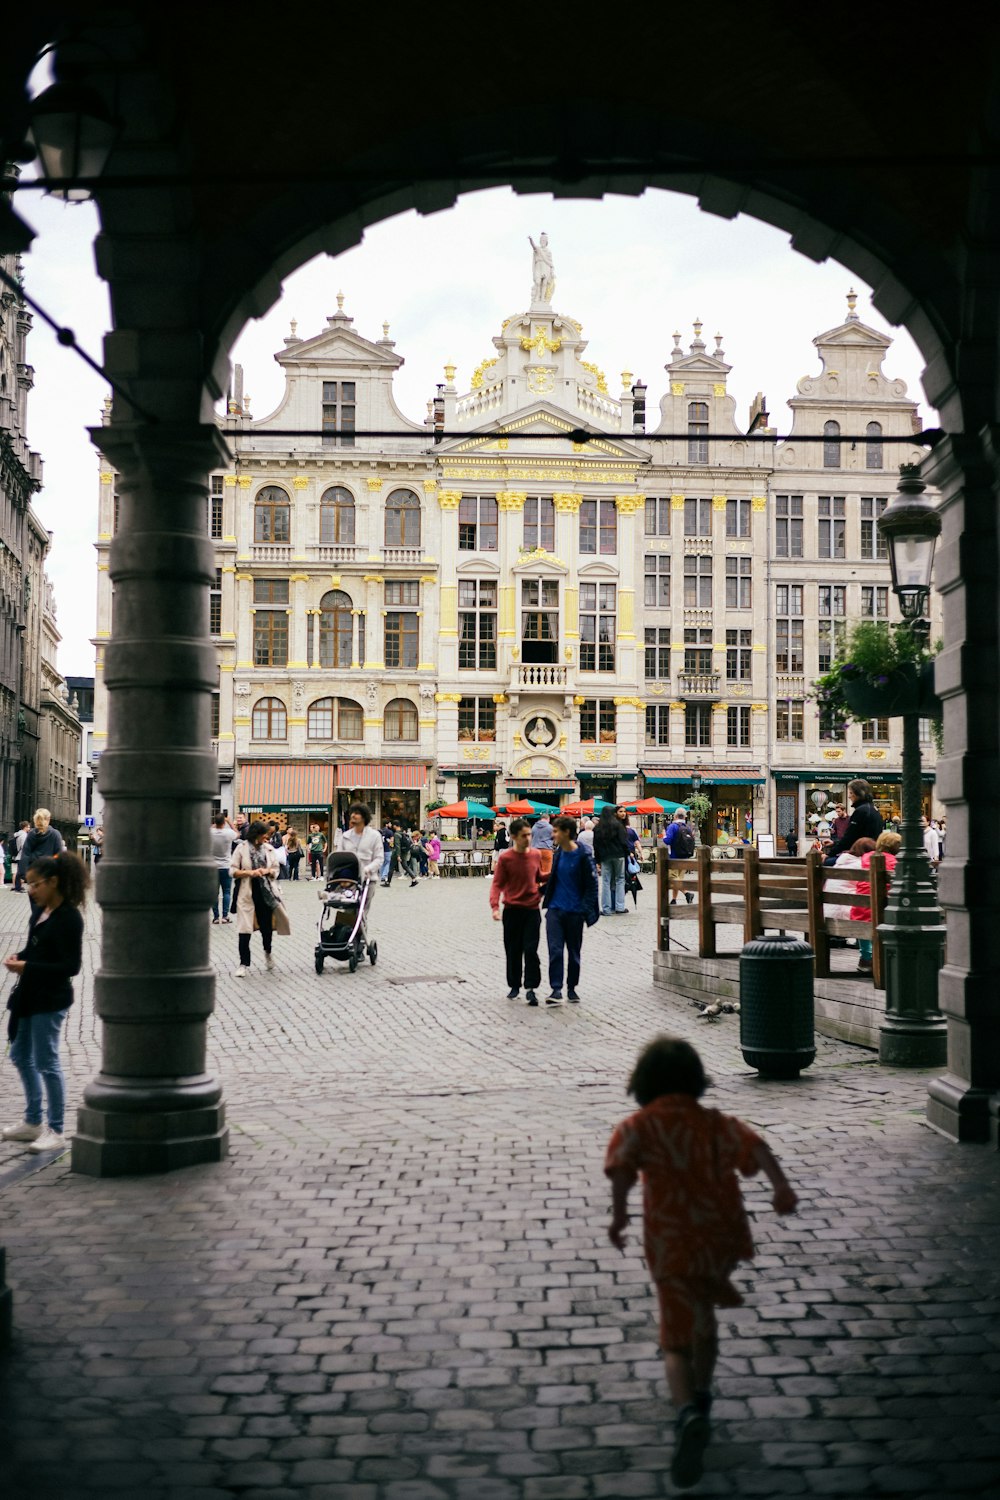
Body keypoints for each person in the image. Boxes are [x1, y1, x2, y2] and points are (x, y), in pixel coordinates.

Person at [605, 1035, 797, 1490]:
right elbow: (758, 1148)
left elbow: (620, 1171)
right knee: (704, 1313)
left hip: (670, 1239)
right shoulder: (715, 1123)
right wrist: (780, 1189)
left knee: (675, 1336)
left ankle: (687, 1409)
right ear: (696, 1080)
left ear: (643, 1082)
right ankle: (705, 1393)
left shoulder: (638, 1126)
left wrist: (618, 1218)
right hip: (717, 1236)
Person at [1, 851, 90, 1154]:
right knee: (20, 1056)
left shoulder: (69, 918)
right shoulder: (40, 913)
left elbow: (70, 967)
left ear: (53, 882)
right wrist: (20, 957)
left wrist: (28, 967)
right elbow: (34, 949)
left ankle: (55, 1128)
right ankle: (33, 1121)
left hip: (50, 999)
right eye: (28, 885)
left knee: (47, 1062)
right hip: (29, 995)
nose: (31, 890)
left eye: (36, 884)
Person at [541, 814, 599, 1005]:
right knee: (555, 950)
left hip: (575, 911)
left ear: (566, 832)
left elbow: (592, 885)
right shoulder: (558, 854)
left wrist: (584, 910)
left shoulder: (583, 855)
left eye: (556, 831)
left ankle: (572, 988)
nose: (552, 835)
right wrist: (537, 892)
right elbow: (554, 879)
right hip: (555, 911)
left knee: (574, 952)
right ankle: (556, 989)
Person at [489, 817, 543, 1004]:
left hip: (532, 910)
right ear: (513, 837)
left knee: (531, 949)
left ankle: (531, 987)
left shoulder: (536, 854)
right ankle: (514, 985)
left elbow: (538, 877)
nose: (527, 838)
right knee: (513, 950)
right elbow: (497, 883)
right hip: (512, 910)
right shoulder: (506, 858)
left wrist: (555, 873)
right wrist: (495, 907)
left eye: (529, 835)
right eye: (523, 836)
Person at [231, 819, 289, 976]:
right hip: (247, 892)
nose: (267, 837)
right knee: (244, 930)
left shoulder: (269, 849)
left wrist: (267, 871)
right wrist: (249, 873)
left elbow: (276, 869)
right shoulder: (241, 848)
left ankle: (268, 952)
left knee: (266, 927)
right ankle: (243, 963)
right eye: (265, 834)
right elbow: (233, 870)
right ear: (257, 835)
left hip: (266, 892)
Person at [851, 829, 901, 975]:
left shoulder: (866, 857)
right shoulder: (895, 861)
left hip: (860, 909)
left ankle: (866, 957)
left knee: (866, 913)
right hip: (883, 912)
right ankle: (881, 957)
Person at [333, 803, 383, 914]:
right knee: (348, 909)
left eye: (357, 813)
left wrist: (368, 869)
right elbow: (339, 856)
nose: (353, 815)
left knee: (362, 911)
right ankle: (345, 930)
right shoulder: (345, 836)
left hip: (368, 879)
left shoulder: (374, 836)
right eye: (352, 813)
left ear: (364, 817)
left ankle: (360, 930)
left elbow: (379, 858)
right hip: (349, 879)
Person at [823, 779, 883, 861]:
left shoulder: (860, 811)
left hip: (862, 855)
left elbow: (849, 838)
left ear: (858, 794)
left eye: (851, 793)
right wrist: (834, 843)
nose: (849, 796)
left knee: (827, 862)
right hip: (871, 854)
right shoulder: (873, 809)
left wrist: (828, 855)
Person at [18, 809, 66, 910]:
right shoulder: (55, 834)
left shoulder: (31, 834)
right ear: (48, 819)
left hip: (34, 876)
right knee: (50, 908)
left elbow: (25, 854)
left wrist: (23, 874)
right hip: (49, 876)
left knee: (36, 908)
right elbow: (59, 856)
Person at [594, 804, 630, 916]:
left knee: (605, 881)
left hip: (605, 857)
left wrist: (598, 860)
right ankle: (620, 906)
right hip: (619, 855)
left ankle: (606, 908)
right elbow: (624, 842)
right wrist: (627, 854)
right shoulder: (618, 825)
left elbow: (596, 845)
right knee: (620, 880)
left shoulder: (598, 828)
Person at [664, 808, 696, 904]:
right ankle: (674, 899)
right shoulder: (687, 827)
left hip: (674, 856)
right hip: (685, 857)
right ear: (685, 817)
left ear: (675, 816)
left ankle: (687, 893)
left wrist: (664, 836)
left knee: (672, 877)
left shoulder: (672, 826)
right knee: (679, 878)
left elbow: (668, 840)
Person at [210, 812, 234, 923]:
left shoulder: (210, 832)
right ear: (224, 822)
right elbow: (238, 834)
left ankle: (215, 917)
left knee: (214, 893)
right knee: (227, 892)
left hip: (213, 866)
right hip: (226, 866)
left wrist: (214, 824)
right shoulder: (229, 833)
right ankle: (225, 916)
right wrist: (230, 822)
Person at [530, 812, 555, 879]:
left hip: (535, 850)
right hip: (546, 850)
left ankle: (537, 887)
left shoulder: (534, 827)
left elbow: (531, 837)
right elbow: (554, 838)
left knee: (536, 871)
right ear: (548, 819)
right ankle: (544, 887)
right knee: (547, 871)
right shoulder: (550, 827)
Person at [13, 821, 29, 892]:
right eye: (28, 827)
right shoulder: (24, 835)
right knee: (21, 872)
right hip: (23, 855)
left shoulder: (19, 834)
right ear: (25, 827)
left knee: (20, 872)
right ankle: (18, 887)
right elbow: (24, 846)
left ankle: (18, 887)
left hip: (20, 855)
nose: (29, 828)